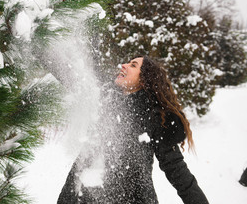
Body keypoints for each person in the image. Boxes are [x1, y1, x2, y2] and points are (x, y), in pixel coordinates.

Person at [57, 56, 209, 204]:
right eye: (128, 63)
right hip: (81, 197)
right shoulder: (104, 99)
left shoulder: (154, 117)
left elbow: (177, 171)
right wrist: (37, 41)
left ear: (144, 80)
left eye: (133, 65)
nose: (123, 65)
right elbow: (68, 74)